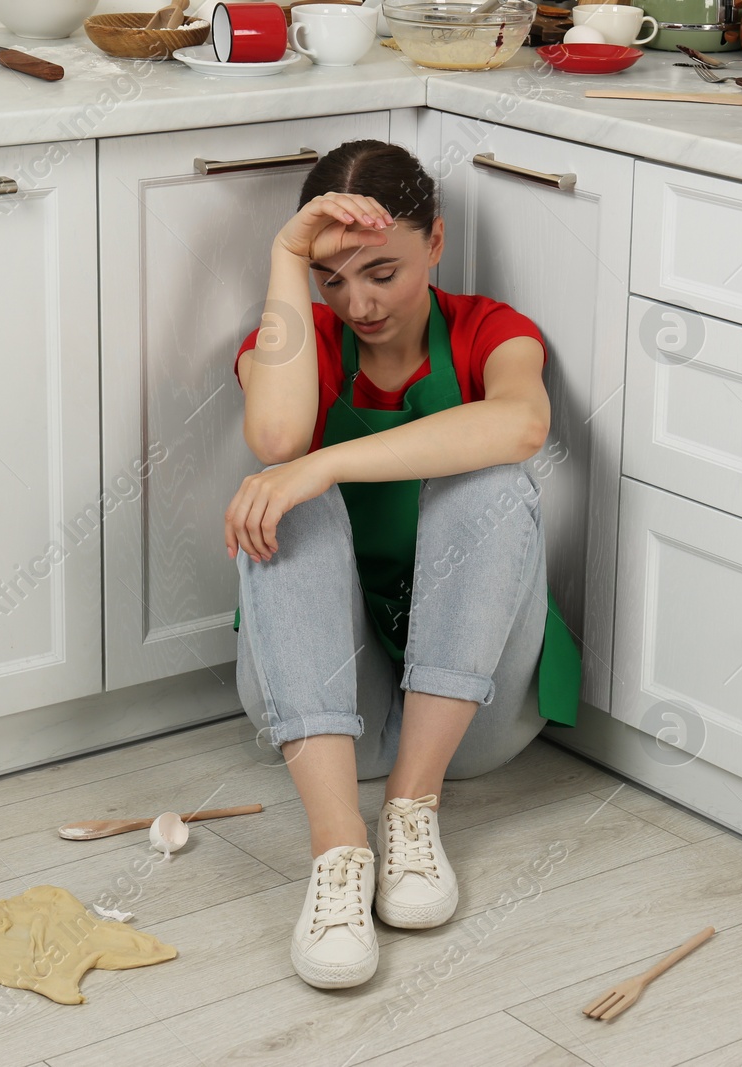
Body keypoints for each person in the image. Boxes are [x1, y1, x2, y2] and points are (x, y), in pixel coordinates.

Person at [224, 139, 580, 990]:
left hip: (470, 715)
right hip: (324, 704)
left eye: (382, 271)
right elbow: (276, 438)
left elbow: (521, 426)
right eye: (333, 278)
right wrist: (283, 252)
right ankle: (341, 849)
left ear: (437, 244)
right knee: (282, 490)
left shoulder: (488, 331)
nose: (358, 302)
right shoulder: (298, 336)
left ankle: (411, 813)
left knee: (493, 483)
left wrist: (330, 461)